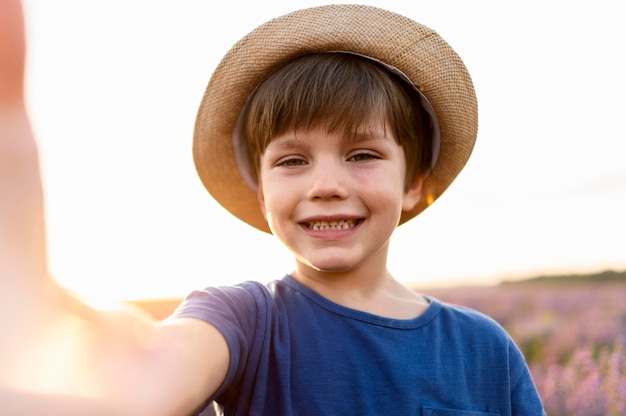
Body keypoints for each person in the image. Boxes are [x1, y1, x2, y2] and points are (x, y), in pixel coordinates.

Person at [0, 1, 545, 415]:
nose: (326, 184)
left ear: (413, 183)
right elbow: (147, 382)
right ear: (261, 193)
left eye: (362, 154)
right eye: (292, 161)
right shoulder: (245, 319)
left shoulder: (484, 351)